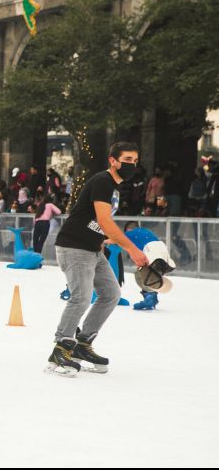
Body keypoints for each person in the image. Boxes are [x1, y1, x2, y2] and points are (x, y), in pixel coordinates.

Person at [47, 142, 149, 377]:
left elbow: (95, 222)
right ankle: (61, 347)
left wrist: (104, 239)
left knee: (111, 294)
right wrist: (132, 249)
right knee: (81, 298)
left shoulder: (114, 187)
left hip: (93, 249)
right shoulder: (103, 180)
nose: (132, 165)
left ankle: (83, 344)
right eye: (127, 160)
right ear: (113, 161)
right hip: (74, 247)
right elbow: (104, 220)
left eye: (135, 160)